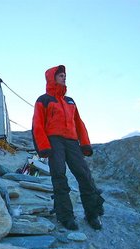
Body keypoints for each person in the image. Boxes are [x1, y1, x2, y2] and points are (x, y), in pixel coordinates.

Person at [32, 65, 104, 230]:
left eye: (65, 75)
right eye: (61, 75)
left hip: (72, 142)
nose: (64, 77)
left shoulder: (70, 101)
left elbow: (78, 123)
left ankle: (92, 214)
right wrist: (43, 146)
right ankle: (66, 217)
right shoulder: (43, 100)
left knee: (85, 175)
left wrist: (85, 144)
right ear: (52, 78)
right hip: (54, 141)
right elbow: (37, 125)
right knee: (59, 176)